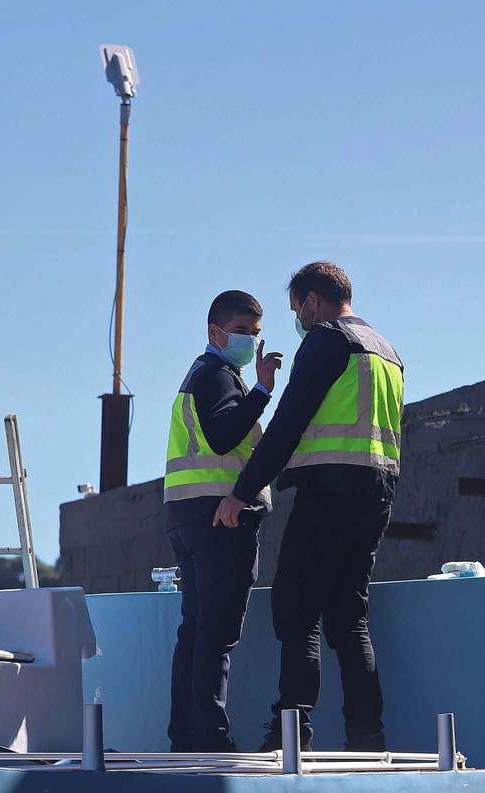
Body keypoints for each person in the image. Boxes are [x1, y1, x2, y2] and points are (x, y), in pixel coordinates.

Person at [214, 261, 404, 752]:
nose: (298, 318)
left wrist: (242, 490)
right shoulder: (388, 352)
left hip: (329, 492)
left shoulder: (326, 339)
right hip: (377, 496)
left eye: (298, 308)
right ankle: (368, 735)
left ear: (313, 301)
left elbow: (287, 425)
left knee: (296, 609)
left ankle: (291, 733)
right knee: (349, 617)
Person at [163, 289, 284, 752]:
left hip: (188, 514)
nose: (251, 342)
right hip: (219, 516)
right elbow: (222, 437)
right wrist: (262, 389)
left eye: (256, 334)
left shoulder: (201, 375)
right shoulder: (216, 375)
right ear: (215, 332)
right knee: (216, 630)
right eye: (241, 333)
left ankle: (186, 736)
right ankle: (210, 738)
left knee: (196, 627)